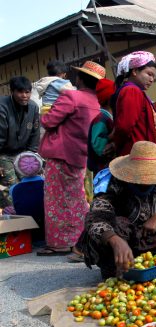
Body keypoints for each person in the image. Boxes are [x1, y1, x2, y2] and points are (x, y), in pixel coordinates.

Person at [77, 141, 156, 279]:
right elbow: (95, 218)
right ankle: (116, 270)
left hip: (150, 240)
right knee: (119, 223)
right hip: (120, 242)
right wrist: (113, 239)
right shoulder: (113, 183)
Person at [37, 61, 104, 256]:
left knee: (55, 200)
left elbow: (49, 121)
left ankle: (59, 243)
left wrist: (45, 112)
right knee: (77, 198)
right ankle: (79, 240)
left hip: (60, 154)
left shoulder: (71, 96)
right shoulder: (97, 102)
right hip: (81, 155)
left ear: (80, 78)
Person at [112, 51, 156, 157]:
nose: (151, 80)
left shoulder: (133, 91)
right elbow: (124, 127)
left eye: (153, 76)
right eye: (149, 74)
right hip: (136, 154)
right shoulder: (132, 91)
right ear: (135, 71)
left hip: (139, 153)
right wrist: (114, 143)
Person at [0, 76, 40, 208]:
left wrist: (31, 157)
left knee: (32, 183)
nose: (24, 96)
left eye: (27, 92)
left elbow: (35, 134)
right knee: (10, 186)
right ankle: (15, 218)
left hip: (23, 152)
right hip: (3, 154)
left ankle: (34, 216)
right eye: (20, 92)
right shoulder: (2, 106)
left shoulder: (34, 107)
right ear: (12, 91)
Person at [8, 152, 45, 243]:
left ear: (17, 169)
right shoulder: (48, 185)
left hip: (27, 235)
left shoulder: (14, 189)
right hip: (47, 233)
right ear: (40, 166)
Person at [87, 78, 116, 175]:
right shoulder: (101, 118)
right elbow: (98, 145)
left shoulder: (108, 117)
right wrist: (113, 135)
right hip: (102, 170)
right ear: (110, 99)